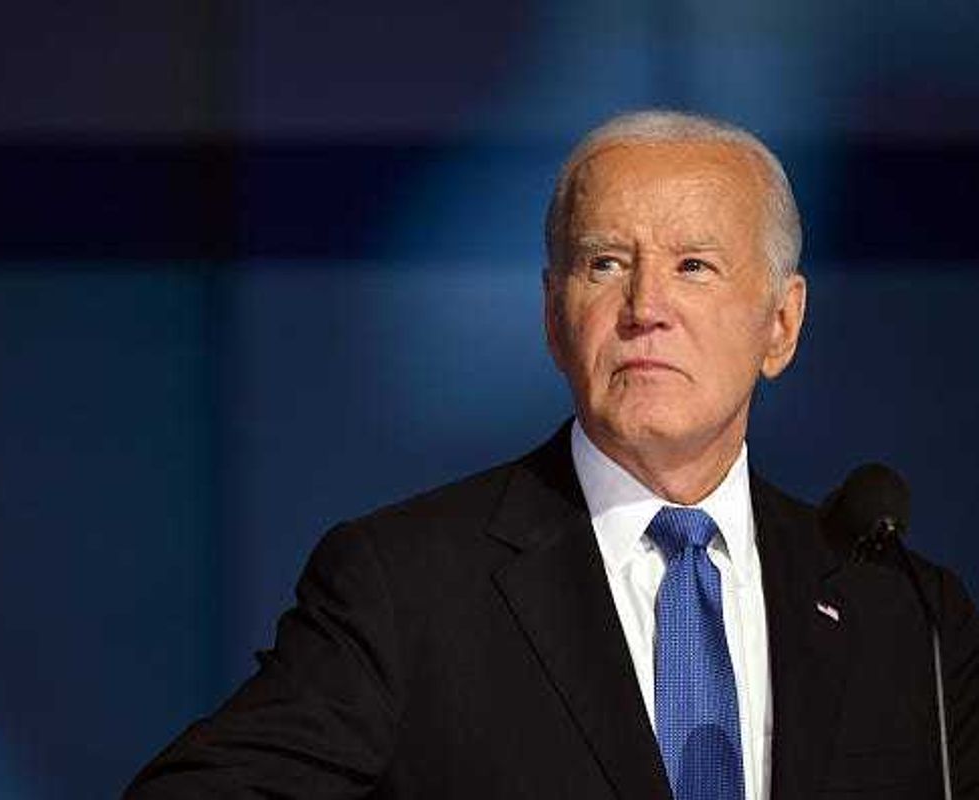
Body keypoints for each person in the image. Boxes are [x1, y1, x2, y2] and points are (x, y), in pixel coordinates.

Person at [125, 110, 979, 799]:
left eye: (693, 266)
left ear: (781, 325)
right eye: (606, 263)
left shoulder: (903, 610)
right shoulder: (404, 585)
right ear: (552, 315)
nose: (646, 306)